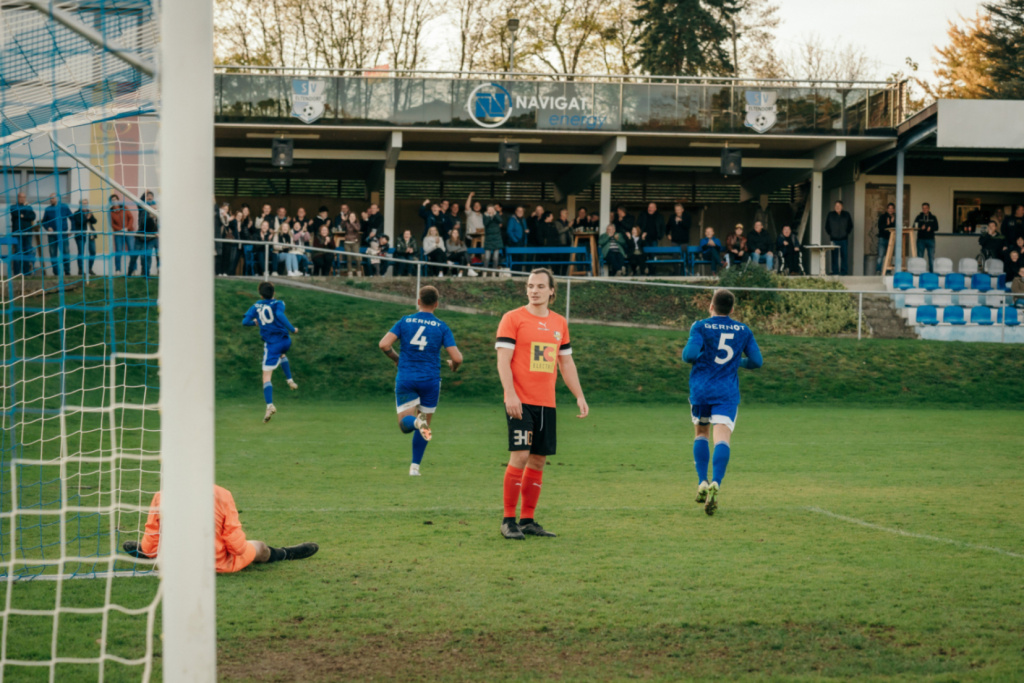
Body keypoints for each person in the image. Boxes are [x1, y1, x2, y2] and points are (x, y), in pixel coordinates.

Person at [496, 268, 588, 540]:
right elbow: (503, 360)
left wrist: (579, 395)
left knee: (538, 460)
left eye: (539, 286)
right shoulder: (512, 318)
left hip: (546, 403)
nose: (533, 290)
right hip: (520, 400)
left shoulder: (559, 323)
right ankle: (508, 520)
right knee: (520, 455)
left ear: (551, 291)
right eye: (530, 286)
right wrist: (510, 394)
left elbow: (565, 363)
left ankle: (527, 520)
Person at [682, 288, 763, 516]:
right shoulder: (743, 330)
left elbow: (689, 356)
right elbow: (757, 361)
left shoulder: (700, 326)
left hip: (702, 391)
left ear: (711, 306)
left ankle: (702, 481)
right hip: (726, 393)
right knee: (722, 439)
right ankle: (716, 481)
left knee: (701, 433)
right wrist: (737, 362)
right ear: (732, 309)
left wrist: (703, 357)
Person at [123, 485, 318, 572]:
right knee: (260, 547)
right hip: (215, 563)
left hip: (176, 564)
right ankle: (285, 553)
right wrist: (244, 552)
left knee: (156, 549)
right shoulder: (221, 494)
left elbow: (152, 536)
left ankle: (147, 554)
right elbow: (236, 546)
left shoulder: (162, 495)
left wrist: (150, 552)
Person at [378, 285, 463, 476]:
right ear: (436, 304)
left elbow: (384, 344)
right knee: (424, 423)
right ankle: (415, 468)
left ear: (418, 302)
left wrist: (397, 359)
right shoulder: (441, 326)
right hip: (431, 381)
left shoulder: (405, 321)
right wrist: (454, 366)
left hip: (407, 377)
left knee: (405, 425)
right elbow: (457, 358)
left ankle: (417, 423)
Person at [242, 281, 299, 423]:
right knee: (282, 354)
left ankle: (269, 406)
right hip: (285, 341)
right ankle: (290, 380)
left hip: (272, 345)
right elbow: (279, 314)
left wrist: (255, 322)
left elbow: (245, 322)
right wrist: (292, 329)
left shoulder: (256, 306)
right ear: (274, 292)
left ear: (260, 295)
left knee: (266, 377)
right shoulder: (279, 303)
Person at [41, 193, 72, 276]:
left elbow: (72, 218)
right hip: (52, 235)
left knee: (65, 253)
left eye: (53, 198)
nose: (51, 200)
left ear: (58, 198)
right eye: (50, 198)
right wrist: (48, 227)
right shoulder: (48, 209)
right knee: (53, 254)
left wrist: (71, 230)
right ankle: (56, 273)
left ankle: (67, 272)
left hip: (63, 235)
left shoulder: (64, 207)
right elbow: (44, 221)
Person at [9, 191, 36, 276]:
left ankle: (26, 273)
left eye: (24, 197)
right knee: (18, 252)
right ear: (18, 198)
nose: (22, 199)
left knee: (27, 252)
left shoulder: (29, 207)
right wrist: (25, 212)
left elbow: (33, 217)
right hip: (17, 234)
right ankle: (17, 273)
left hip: (28, 234)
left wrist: (23, 214)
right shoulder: (13, 207)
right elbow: (16, 214)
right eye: (21, 197)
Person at [824, 200, 853, 275]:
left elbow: (850, 225)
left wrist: (846, 233)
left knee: (844, 255)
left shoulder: (846, 214)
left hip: (844, 239)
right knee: (834, 256)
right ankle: (835, 272)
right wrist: (831, 234)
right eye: (836, 206)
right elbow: (827, 226)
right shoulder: (830, 214)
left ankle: (844, 272)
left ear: (842, 207)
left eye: (839, 206)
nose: (837, 207)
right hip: (834, 239)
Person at [111, 194, 137, 275]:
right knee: (118, 251)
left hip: (129, 232)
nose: (114, 201)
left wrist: (127, 228)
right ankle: (118, 270)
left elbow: (131, 218)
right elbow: (112, 224)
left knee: (132, 250)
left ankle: (134, 269)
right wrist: (120, 229)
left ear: (118, 200)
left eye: (115, 199)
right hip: (118, 233)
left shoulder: (124, 207)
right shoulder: (110, 211)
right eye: (112, 200)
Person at [71, 199, 98, 276]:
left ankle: (89, 268)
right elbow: (80, 223)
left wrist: (90, 215)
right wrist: (87, 217)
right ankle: (80, 270)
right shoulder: (76, 213)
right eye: (83, 203)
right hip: (81, 235)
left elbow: (94, 221)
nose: (85, 205)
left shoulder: (88, 212)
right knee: (81, 252)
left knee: (93, 252)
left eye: (86, 203)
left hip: (90, 235)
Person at [138, 192, 159, 277]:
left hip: (156, 238)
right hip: (146, 237)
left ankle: (159, 271)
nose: (150, 198)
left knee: (159, 255)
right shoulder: (143, 210)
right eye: (148, 197)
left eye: (151, 197)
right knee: (146, 256)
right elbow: (145, 225)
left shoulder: (158, 214)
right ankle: (146, 273)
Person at [913, 202, 939, 272]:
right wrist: (920, 227)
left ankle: (931, 272)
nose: (924, 209)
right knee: (920, 257)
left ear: (929, 208)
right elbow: (914, 226)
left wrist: (931, 228)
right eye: (923, 208)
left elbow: (937, 227)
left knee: (931, 257)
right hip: (921, 239)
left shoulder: (933, 217)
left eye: (926, 208)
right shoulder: (919, 217)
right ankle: (920, 272)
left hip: (930, 239)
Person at [482, 204, 504, 275]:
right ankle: (484, 272)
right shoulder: (485, 216)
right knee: (487, 257)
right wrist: (489, 216)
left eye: (492, 209)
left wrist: (494, 214)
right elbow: (485, 223)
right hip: (488, 239)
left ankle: (494, 272)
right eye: (489, 209)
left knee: (495, 258)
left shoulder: (496, 214)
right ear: (487, 210)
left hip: (496, 239)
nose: (490, 210)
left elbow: (500, 220)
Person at [876, 203, 896, 272]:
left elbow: (895, 228)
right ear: (887, 209)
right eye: (889, 208)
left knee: (889, 256)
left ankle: (888, 271)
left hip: (891, 239)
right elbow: (880, 227)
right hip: (882, 238)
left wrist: (892, 223)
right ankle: (878, 271)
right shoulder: (882, 217)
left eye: (892, 208)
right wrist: (887, 224)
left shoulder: (895, 217)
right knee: (880, 255)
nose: (890, 210)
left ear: (894, 210)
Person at [342, 211, 362, 277]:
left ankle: (359, 272)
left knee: (357, 258)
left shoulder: (357, 224)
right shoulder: (346, 223)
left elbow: (357, 229)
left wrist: (352, 223)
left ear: (355, 217)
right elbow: (342, 226)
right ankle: (350, 274)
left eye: (353, 216)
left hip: (355, 242)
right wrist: (344, 220)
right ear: (348, 217)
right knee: (349, 259)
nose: (352, 217)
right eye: (351, 216)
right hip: (347, 242)